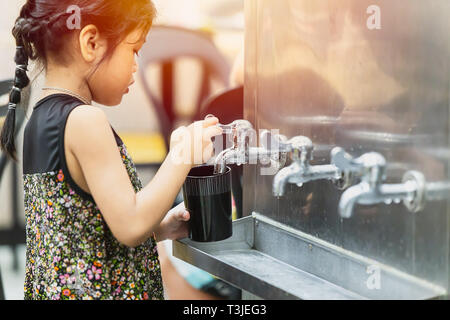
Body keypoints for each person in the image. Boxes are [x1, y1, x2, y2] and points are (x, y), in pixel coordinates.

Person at [0, 0, 222, 300]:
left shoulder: (40, 118)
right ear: (91, 42)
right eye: (134, 50)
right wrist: (182, 154)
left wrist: (161, 228)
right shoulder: (85, 121)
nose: (136, 65)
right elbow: (130, 225)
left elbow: (87, 232)